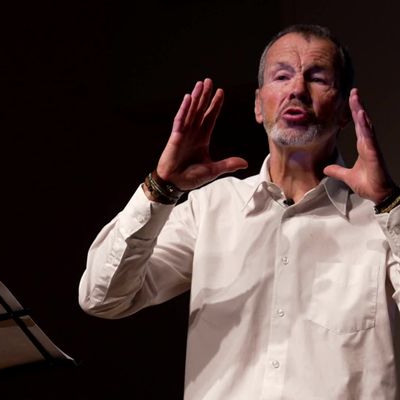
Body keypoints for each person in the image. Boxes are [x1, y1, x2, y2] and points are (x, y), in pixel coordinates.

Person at [78, 24, 400, 399]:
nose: (297, 89)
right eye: (282, 76)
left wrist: (389, 203)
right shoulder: (211, 208)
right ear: (258, 106)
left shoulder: (381, 218)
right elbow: (103, 298)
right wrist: (161, 187)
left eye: (317, 78)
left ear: (344, 109)